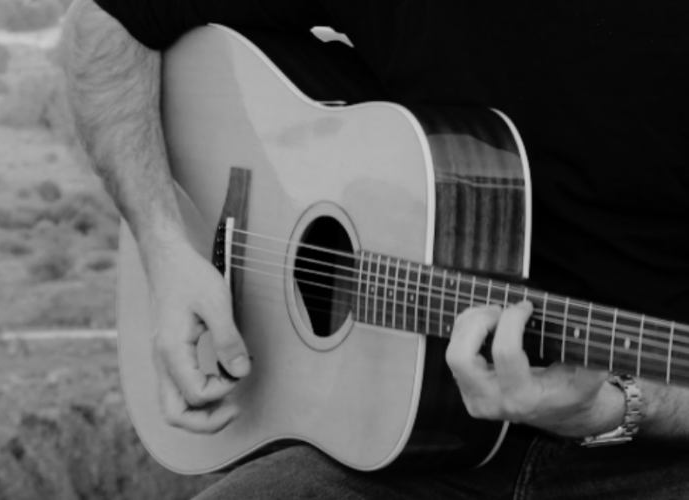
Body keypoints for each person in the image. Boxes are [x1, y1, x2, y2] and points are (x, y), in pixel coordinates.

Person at [57, 0, 689, 498]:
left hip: (654, 456)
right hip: (408, 445)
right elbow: (106, 24)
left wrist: (618, 407)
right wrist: (167, 250)